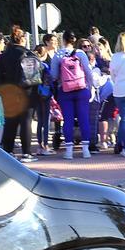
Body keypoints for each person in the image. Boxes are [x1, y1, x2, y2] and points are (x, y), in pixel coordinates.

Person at [51, 30, 95, 160]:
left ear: (63, 40)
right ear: (74, 40)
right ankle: (86, 150)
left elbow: (54, 75)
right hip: (82, 90)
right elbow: (88, 71)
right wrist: (90, 87)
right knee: (83, 119)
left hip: (65, 91)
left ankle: (69, 151)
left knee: (68, 120)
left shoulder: (58, 54)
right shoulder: (81, 53)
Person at [0, 26, 38, 163]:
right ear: (23, 39)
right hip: (27, 92)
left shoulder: (4, 55)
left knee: (10, 122)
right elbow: (35, 77)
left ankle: (8, 151)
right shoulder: (29, 54)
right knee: (26, 122)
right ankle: (27, 153)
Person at [32, 45, 55, 156]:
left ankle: (39, 146)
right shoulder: (45, 66)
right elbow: (50, 80)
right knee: (46, 121)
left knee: (39, 121)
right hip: (45, 95)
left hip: (36, 95)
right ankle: (46, 145)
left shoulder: (32, 65)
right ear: (44, 54)